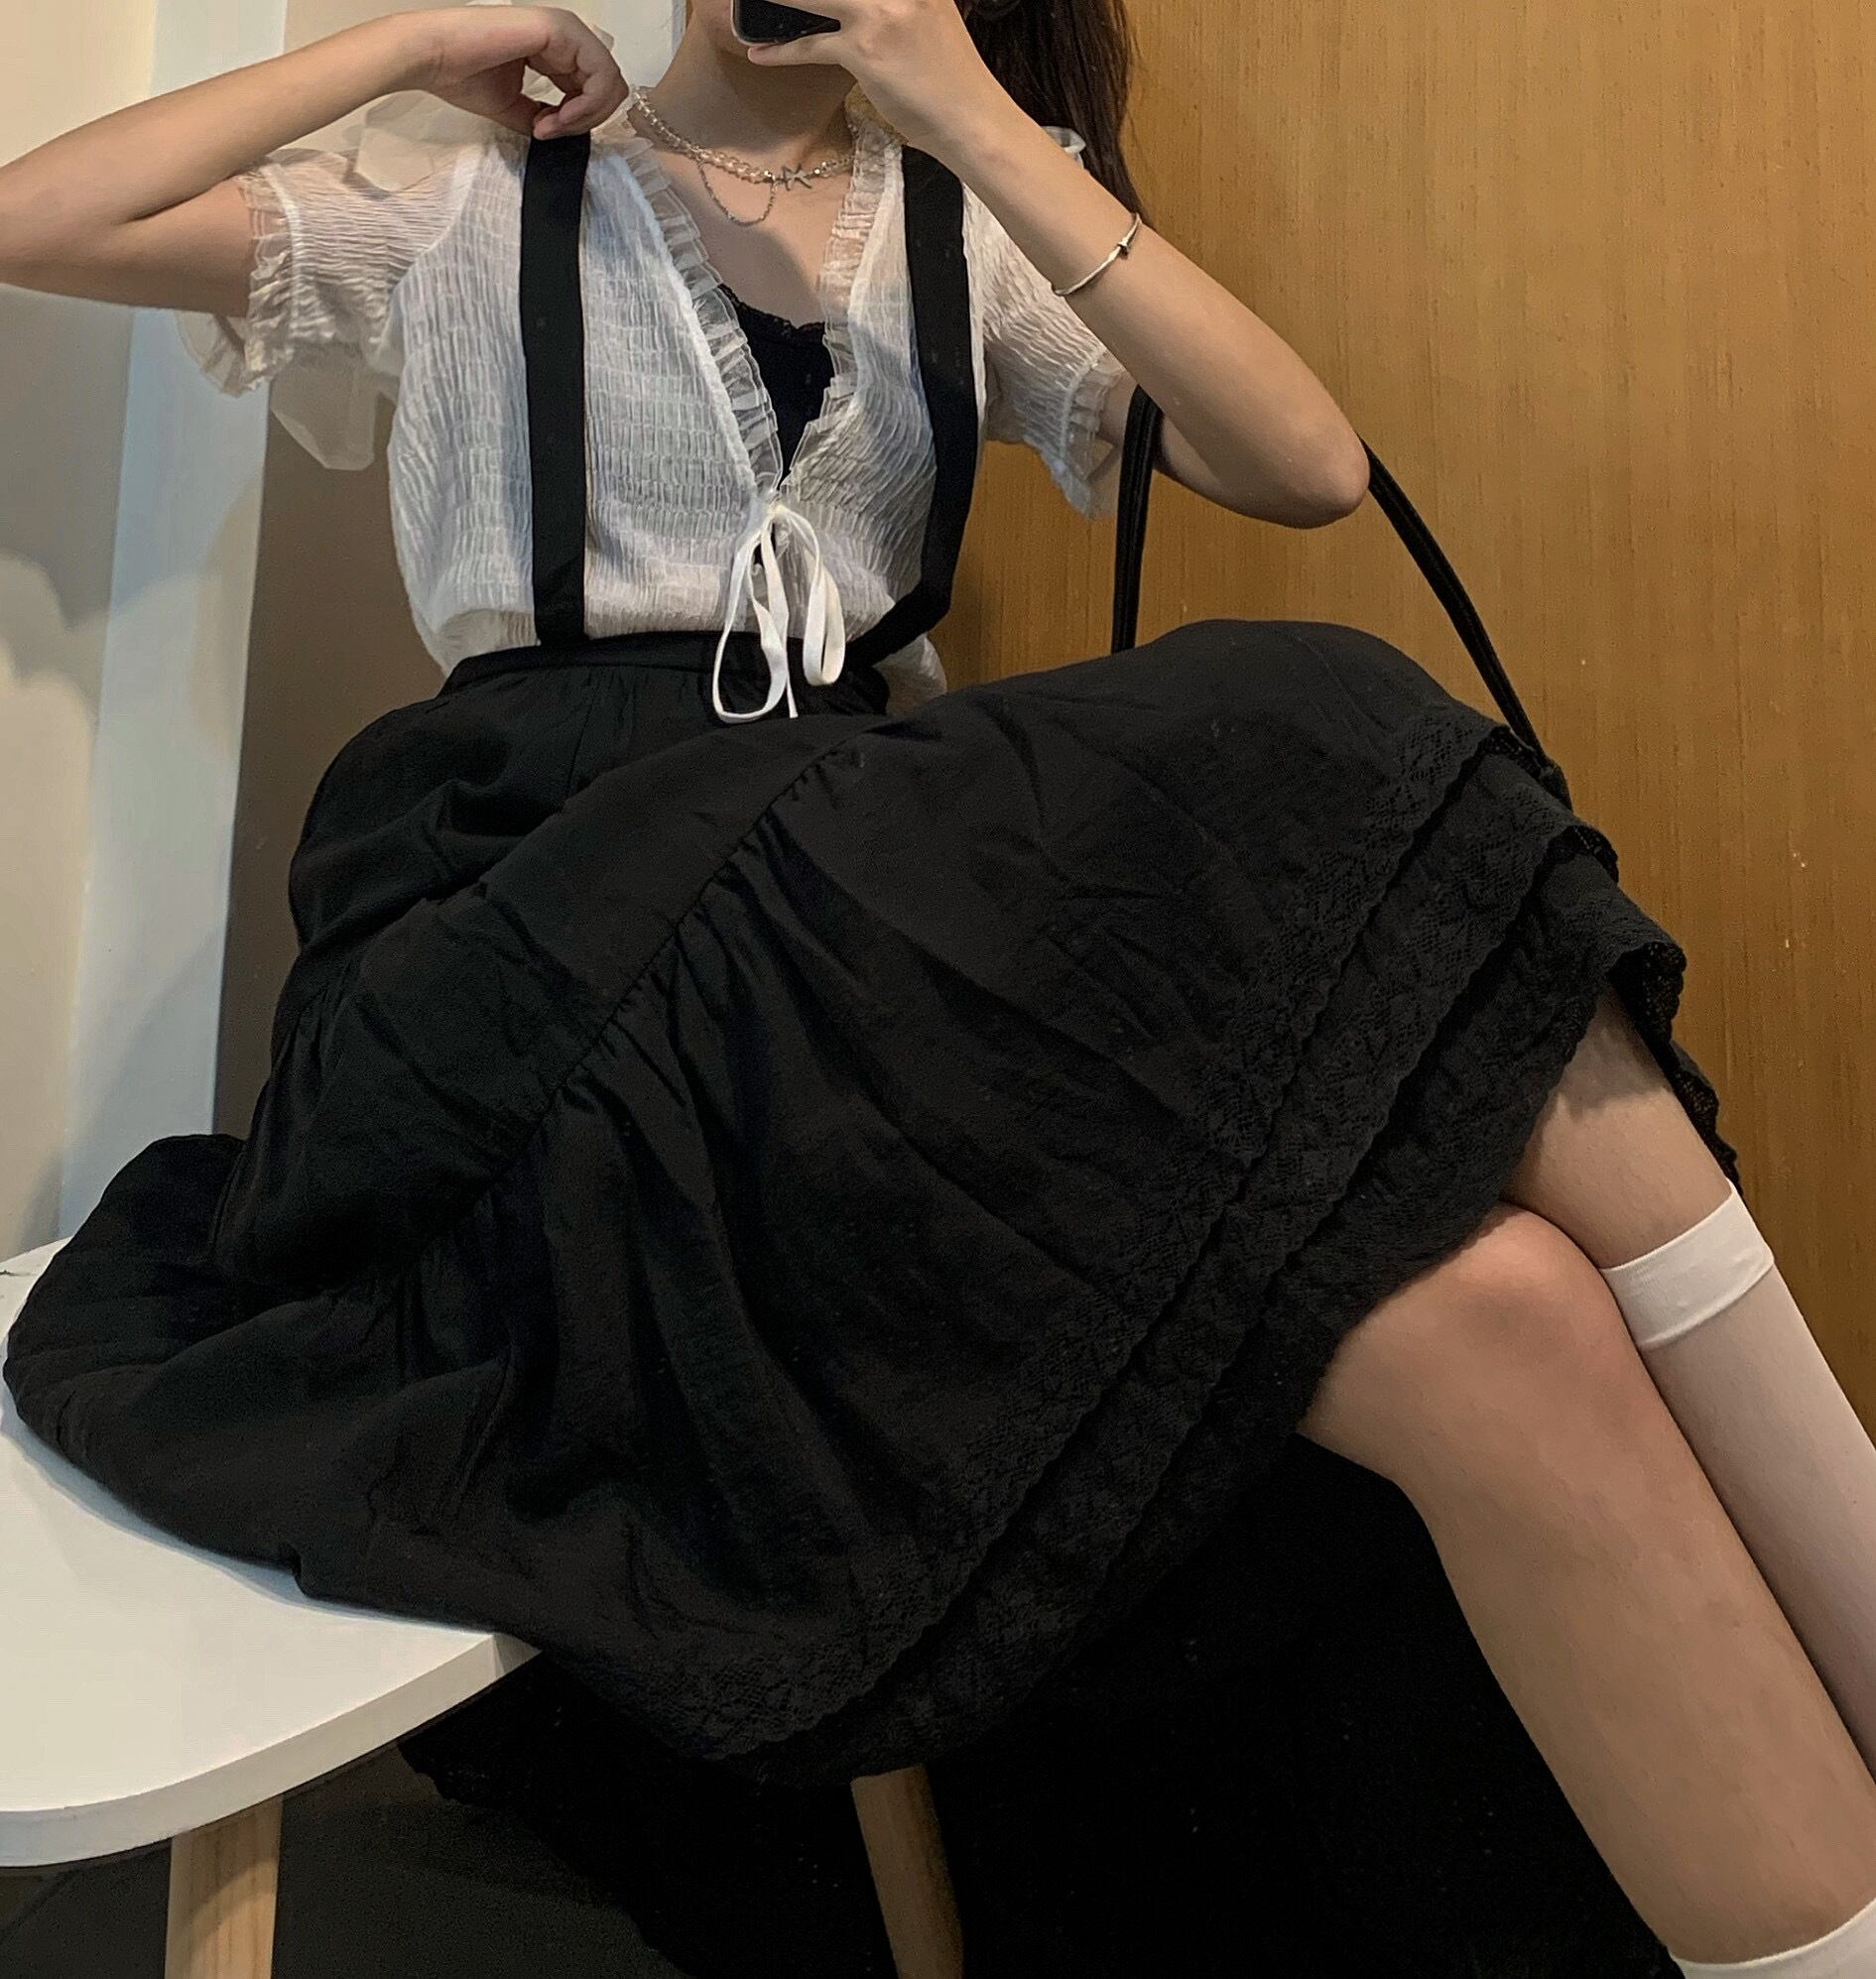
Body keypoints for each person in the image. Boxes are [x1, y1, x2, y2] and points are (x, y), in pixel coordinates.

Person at [2, 6, 1875, 1973]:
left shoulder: (958, 220)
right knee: (1312, 717)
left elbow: (1306, 462)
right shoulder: (465, 204)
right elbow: (39, 213)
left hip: (845, 967)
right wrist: (427, 39)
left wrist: (968, 114)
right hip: (533, 966)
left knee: (1503, 1312)